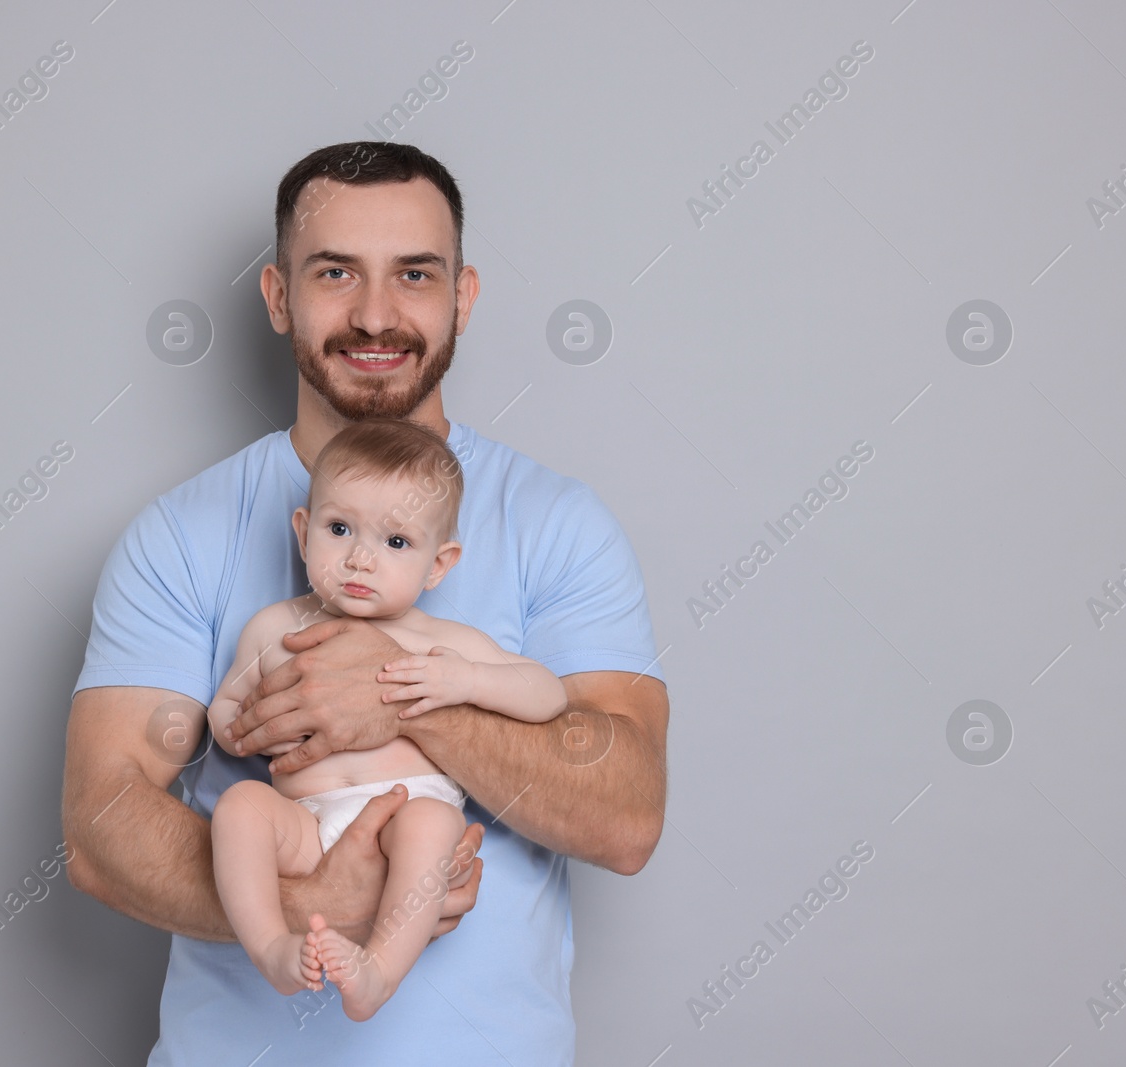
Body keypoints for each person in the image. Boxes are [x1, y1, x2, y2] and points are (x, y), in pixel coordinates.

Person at [61, 140, 670, 1066]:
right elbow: (100, 829)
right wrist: (316, 907)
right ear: (278, 297)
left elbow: (626, 814)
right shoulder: (181, 533)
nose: (376, 314)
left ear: (462, 298)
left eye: (415, 275)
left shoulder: (558, 522)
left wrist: (398, 696)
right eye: (336, 272)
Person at [206, 417, 569, 1020]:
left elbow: (547, 693)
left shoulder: (439, 640)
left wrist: (468, 680)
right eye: (339, 528)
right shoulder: (275, 629)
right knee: (240, 808)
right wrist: (239, 726)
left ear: (438, 564)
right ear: (303, 533)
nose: (359, 559)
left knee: (431, 823)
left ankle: (377, 973)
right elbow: (225, 705)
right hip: (304, 823)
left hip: (402, 818)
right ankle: (271, 947)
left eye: (395, 542)